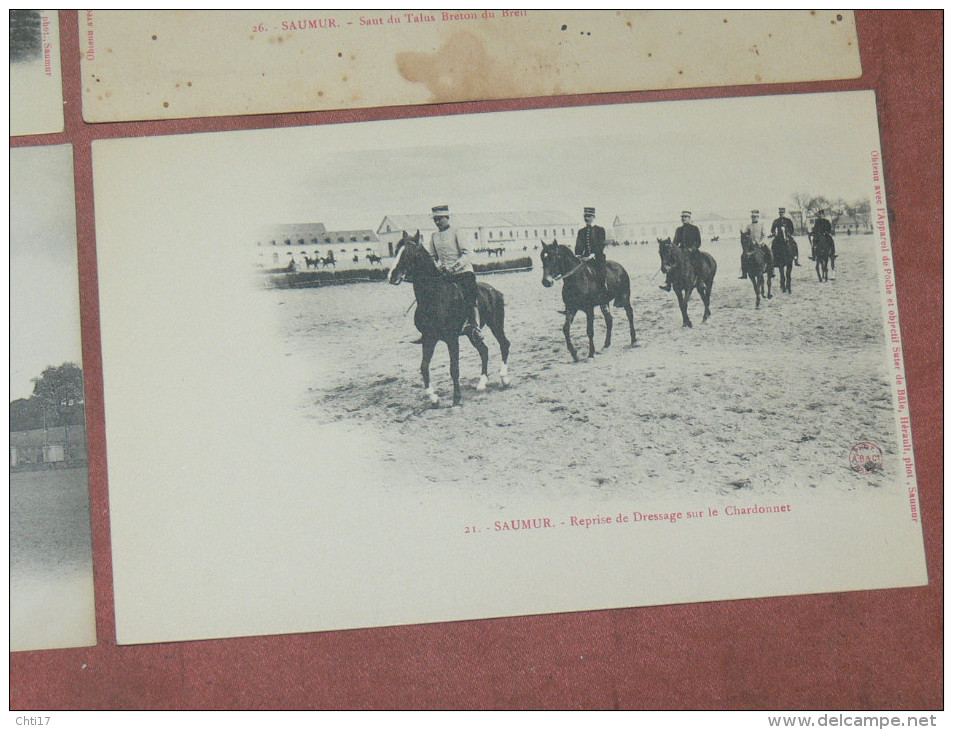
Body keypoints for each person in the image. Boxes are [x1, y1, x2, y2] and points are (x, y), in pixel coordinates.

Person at [428, 204, 483, 339]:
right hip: (444, 274)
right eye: (435, 219)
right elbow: (432, 257)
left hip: (463, 272)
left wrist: (453, 267)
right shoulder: (434, 236)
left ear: (447, 217)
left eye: (440, 219)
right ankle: (430, 328)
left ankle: (474, 325)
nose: (437, 222)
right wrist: (438, 266)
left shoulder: (457, 232)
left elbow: (467, 253)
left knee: (469, 294)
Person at [660, 210, 701, 291]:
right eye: (682, 217)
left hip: (692, 251)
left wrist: (691, 249)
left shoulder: (695, 228)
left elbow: (698, 242)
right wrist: (673, 248)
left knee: (698, 261)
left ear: (689, 218)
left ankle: (700, 281)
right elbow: (675, 242)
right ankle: (668, 283)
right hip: (681, 251)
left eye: (685, 217)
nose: (683, 219)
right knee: (671, 264)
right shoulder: (679, 229)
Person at [575, 206, 608, 301]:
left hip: (597, 258)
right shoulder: (581, 231)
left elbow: (600, 244)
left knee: (600, 274)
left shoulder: (600, 230)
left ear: (594, 217)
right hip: (584, 258)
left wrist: (591, 255)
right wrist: (578, 255)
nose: (587, 218)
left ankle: (603, 296)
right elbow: (579, 245)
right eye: (585, 216)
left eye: (589, 216)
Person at [740, 209, 766, 278]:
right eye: (752, 217)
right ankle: (744, 273)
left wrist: (760, 242)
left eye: (755, 217)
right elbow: (746, 235)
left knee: (769, 252)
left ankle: (770, 269)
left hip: (760, 244)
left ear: (758, 217)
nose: (753, 218)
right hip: (751, 245)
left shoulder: (761, 225)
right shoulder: (749, 226)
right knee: (743, 256)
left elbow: (764, 235)